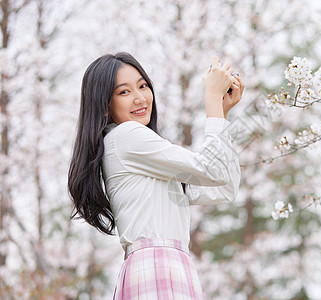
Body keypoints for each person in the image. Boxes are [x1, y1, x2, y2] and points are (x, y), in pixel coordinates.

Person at [68, 52, 243, 299]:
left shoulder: (145, 154)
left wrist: (221, 112)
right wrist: (212, 100)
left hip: (166, 266)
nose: (140, 98)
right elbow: (213, 170)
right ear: (105, 106)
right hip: (158, 266)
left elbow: (224, 187)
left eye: (142, 86)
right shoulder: (126, 136)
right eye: (124, 92)